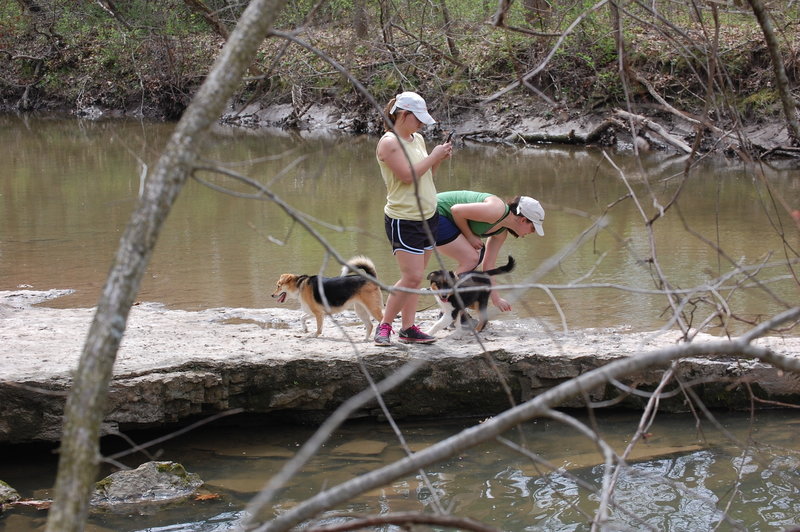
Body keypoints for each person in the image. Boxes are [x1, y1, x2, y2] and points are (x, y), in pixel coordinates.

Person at [374, 91, 453, 346]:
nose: (421, 125)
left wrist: (438, 158)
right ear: (404, 115)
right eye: (417, 119)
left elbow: (427, 173)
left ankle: (408, 328)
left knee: (417, 277)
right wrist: (434, 156)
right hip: (404, 218)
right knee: (411, 277)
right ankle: (385, 325)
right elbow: (407, 176)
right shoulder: (389, 143)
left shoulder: (416, 138)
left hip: (428, 215)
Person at [434, 191, 545, 312]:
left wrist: (496, 299)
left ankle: (450, 309)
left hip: (445, 219)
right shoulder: (497, 210)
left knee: (473, 260)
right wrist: (470, 236)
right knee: (471, 259)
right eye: (533, 228)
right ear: (523, 220)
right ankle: (449, 310)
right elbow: (456, 210)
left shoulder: (501, 233)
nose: (532, 232)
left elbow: (488, 267)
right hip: (435, 211)